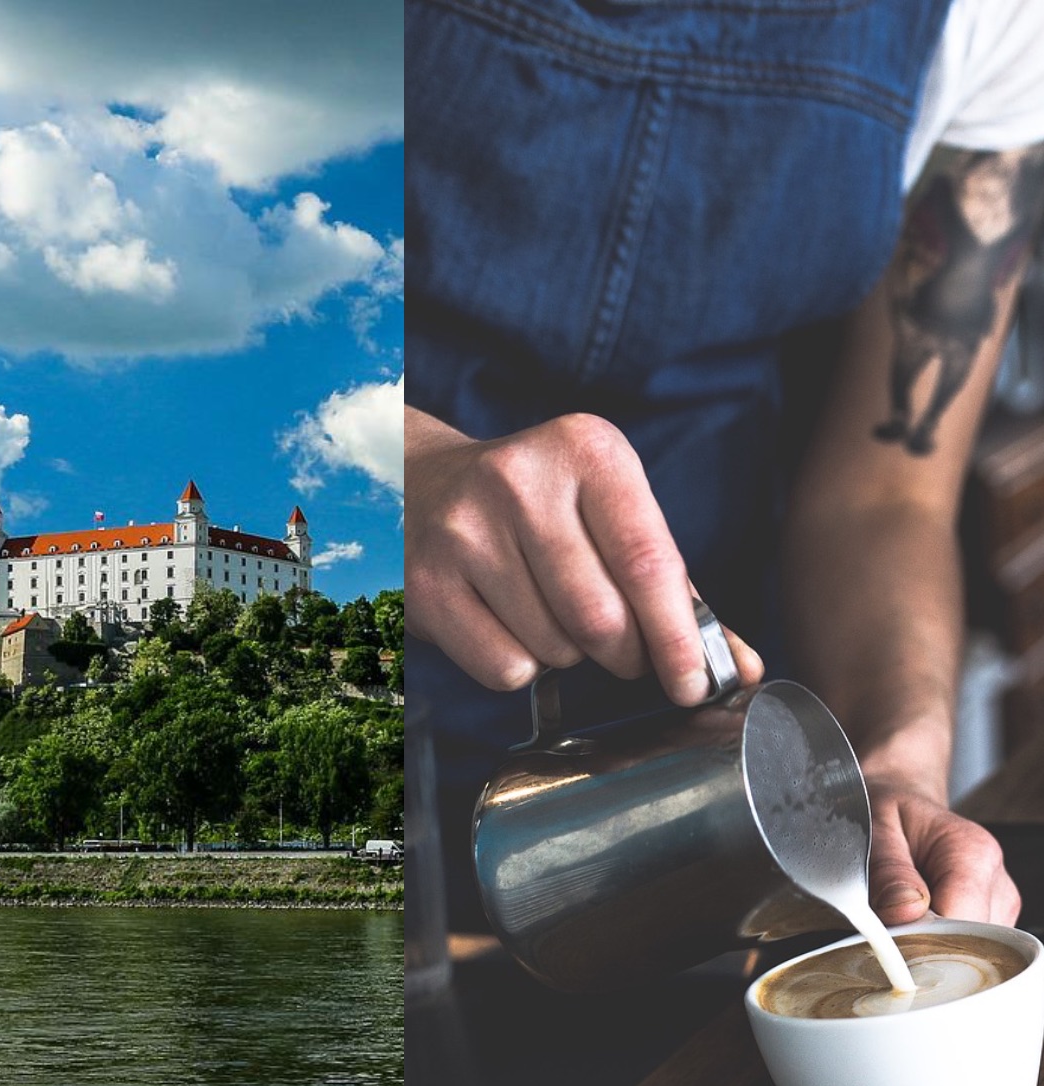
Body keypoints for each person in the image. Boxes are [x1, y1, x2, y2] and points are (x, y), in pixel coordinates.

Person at [405, 0, 1044, 934]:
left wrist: (895, 754)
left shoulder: (997, 19)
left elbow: (886, 492)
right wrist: (401, 469)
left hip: (712, 782)